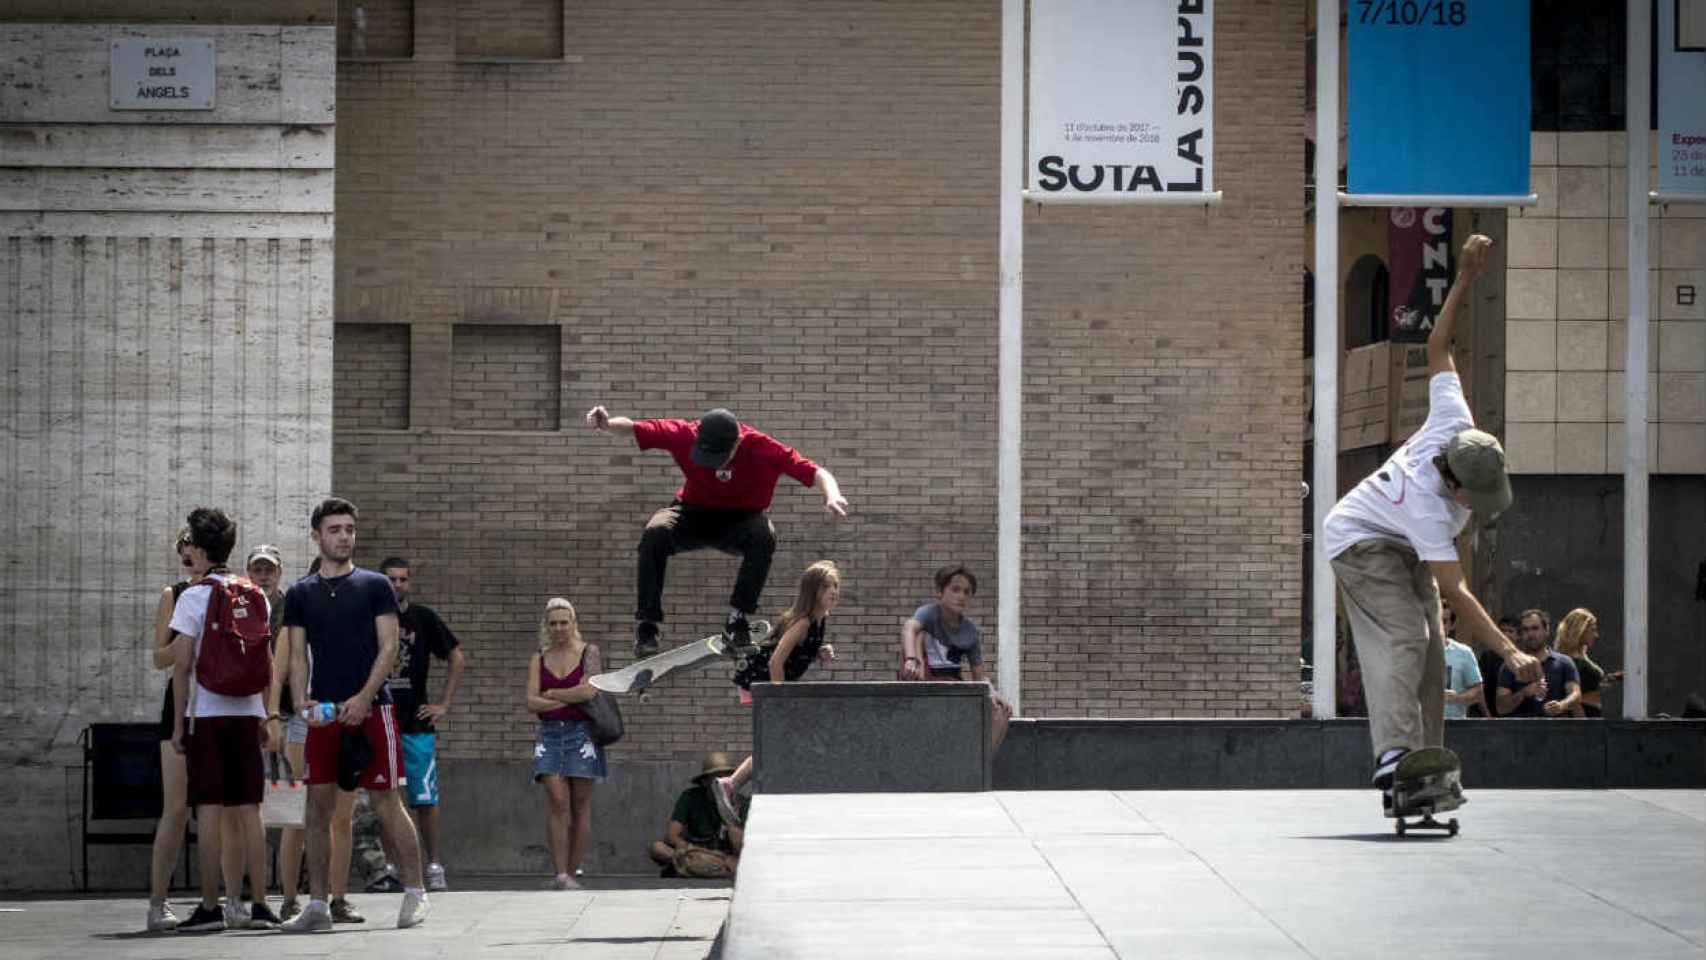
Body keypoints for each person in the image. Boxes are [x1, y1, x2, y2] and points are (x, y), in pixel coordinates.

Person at [1322, 233, 1541, 808]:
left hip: (1400, 544)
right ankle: (1394, 753)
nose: (1477, 507)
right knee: (1406, 635)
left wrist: (1466, 276)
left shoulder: (1454, 418)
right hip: (1359, 541)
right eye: (1475, 497)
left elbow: (1439, 344)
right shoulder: (1428, 503)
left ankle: (1424, 770)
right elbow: (1458, 590)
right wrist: (1509, 651)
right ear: (1453, 482)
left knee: (1433, 644)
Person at [584, 405, 849, 658]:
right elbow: (634, 427)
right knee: (656, 532)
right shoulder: (685, 433)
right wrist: (607, 425)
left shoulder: (762, 447)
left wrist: (832, 495)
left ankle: (737, 620)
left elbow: (816, 472)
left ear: (737, 443)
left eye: (718, 459)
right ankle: (647, 625)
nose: (713, 466)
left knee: (764, 536)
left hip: (741, 520)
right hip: (692, 514)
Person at [276, 497, 429, 932]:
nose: (344, 536)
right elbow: (297, 655)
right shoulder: (302, 593)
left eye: (349, 529)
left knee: (386, 802)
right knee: (317, 808)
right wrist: (301, 701)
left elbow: (389, 646)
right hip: (323, 713)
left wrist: (364, 696)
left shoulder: (375, 585)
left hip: (372, 710)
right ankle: (319, 906)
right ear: (317, 536)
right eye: (335, 529)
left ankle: (416, 894)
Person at [167, 508, 280, 931]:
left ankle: (211, 906)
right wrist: (268, 716)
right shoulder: (256, 594)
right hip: (249, 714)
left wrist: (179, 726)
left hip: (209, 716)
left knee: (210, 811)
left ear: (197, 547)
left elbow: (180, 668)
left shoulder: (194, 596)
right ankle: (259, 905)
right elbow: (266, 661)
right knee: (250, 810)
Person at [713, 560, 843, 824]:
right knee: (776, 739)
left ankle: (733, 784)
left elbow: (795, 651)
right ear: (812, 592)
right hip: (763, 681)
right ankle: (730, 783)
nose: (833, 591)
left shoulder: (820, 620)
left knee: (777, 740)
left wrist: (818, 651)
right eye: (826, 587)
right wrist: (780, 700)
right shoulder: (804, 622)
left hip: (773, 684)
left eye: (835, 586)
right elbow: (775, 661)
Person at [371, 557, 465, 893]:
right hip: (380, 720)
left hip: (416, 723)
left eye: (402, 580)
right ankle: (391, 867)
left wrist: (444, 704)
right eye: (391, 580)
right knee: (386, 796)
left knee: (424, 798)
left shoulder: (423, 618)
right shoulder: (371, 617)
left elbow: (456, 656)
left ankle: (435, 865)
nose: (397, 585)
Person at [526, 598, 606, 890]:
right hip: (549, 734)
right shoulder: (539, 657)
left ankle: (573, 872)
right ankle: (560, 873)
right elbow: (530, 700)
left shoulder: (589, 652)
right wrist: (566, 695)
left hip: (583, 733)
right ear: (547, 627)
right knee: (558, 801)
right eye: (553, 623)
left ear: (573, 623)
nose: (559, 628)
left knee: (580, 805)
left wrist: (553, 693)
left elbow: (589, 692)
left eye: (564, 622)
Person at [897, 564, 1012, 749]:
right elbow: (909, 628)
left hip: (953, 686)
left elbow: (979, 677)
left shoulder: (970, 631)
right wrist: (911, 659)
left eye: (967, 592)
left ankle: (977, 765)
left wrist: (995, 695)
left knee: (1002, 711)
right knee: (916, 632)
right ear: (940, 592)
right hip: (922, 677)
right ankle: (917, 690)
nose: (961, 596)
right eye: (955, 589)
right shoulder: (929, 613)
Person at [145, 529, 197, 932]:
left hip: (220, 702)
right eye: (185, 552)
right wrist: (180, 649)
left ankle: (222, 898)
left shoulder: (228, 590)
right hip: (179, 705)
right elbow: (159, 656)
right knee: (176, 809)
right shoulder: (174, 594)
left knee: (224, 809)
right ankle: (158, 901)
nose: (189, 557)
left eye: (194, 550)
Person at [648, 753, 748, 879]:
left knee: (737, 857)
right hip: (695, 852)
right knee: (657, 848)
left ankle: (696, 869)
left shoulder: (741, 802)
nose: (721, 782)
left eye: (726, 777)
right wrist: (696, 852)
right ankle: (701, 867)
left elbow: (742, 846)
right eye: (716, 777)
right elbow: (671, 836)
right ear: (705, 781)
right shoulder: (690, 797)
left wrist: (730, 814)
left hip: (724, 857)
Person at [1496, 608, 1582, 718]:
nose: (1530, 634)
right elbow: (1501, 708)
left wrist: (1561, 705)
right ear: (1521, 634)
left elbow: (1576, 695)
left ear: (1546, 630)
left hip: (1557, 731)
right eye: (1525, 630)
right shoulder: (1511, 665)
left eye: (1535, 628)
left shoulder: (1564, 662)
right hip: (1521, 731)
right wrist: (1524, 693)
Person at [1554, 608, 1620, 718]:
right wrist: (1583, 725)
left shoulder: (1580, 658)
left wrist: (1607, 681)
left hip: (1591, 715)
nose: (1596, 635)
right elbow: (1573, 699)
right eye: (1592, 630)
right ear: (1580, 630)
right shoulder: (1569, 661)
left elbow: (1587, 688)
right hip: (1582, 719)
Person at [1440, 602, 1483, 720]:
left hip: (1454, 725)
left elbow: (1478, 691)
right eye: (1435, 620)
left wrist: (1458, 698)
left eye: (1444, 621)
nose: (1439, 625)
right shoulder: (1416, 652)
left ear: (1452, 624)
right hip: (1421, 726)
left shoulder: (1463, 652)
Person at [1474, 616, 1520, 718]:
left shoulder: (1521, 658)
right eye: (1502, 631)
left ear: (1518, 636)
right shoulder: (1487, 657)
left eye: (1510, 631)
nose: (1506, 634)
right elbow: (1479, 687)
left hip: (1514, 715)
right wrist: (1486, 713)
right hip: (1489, 714)